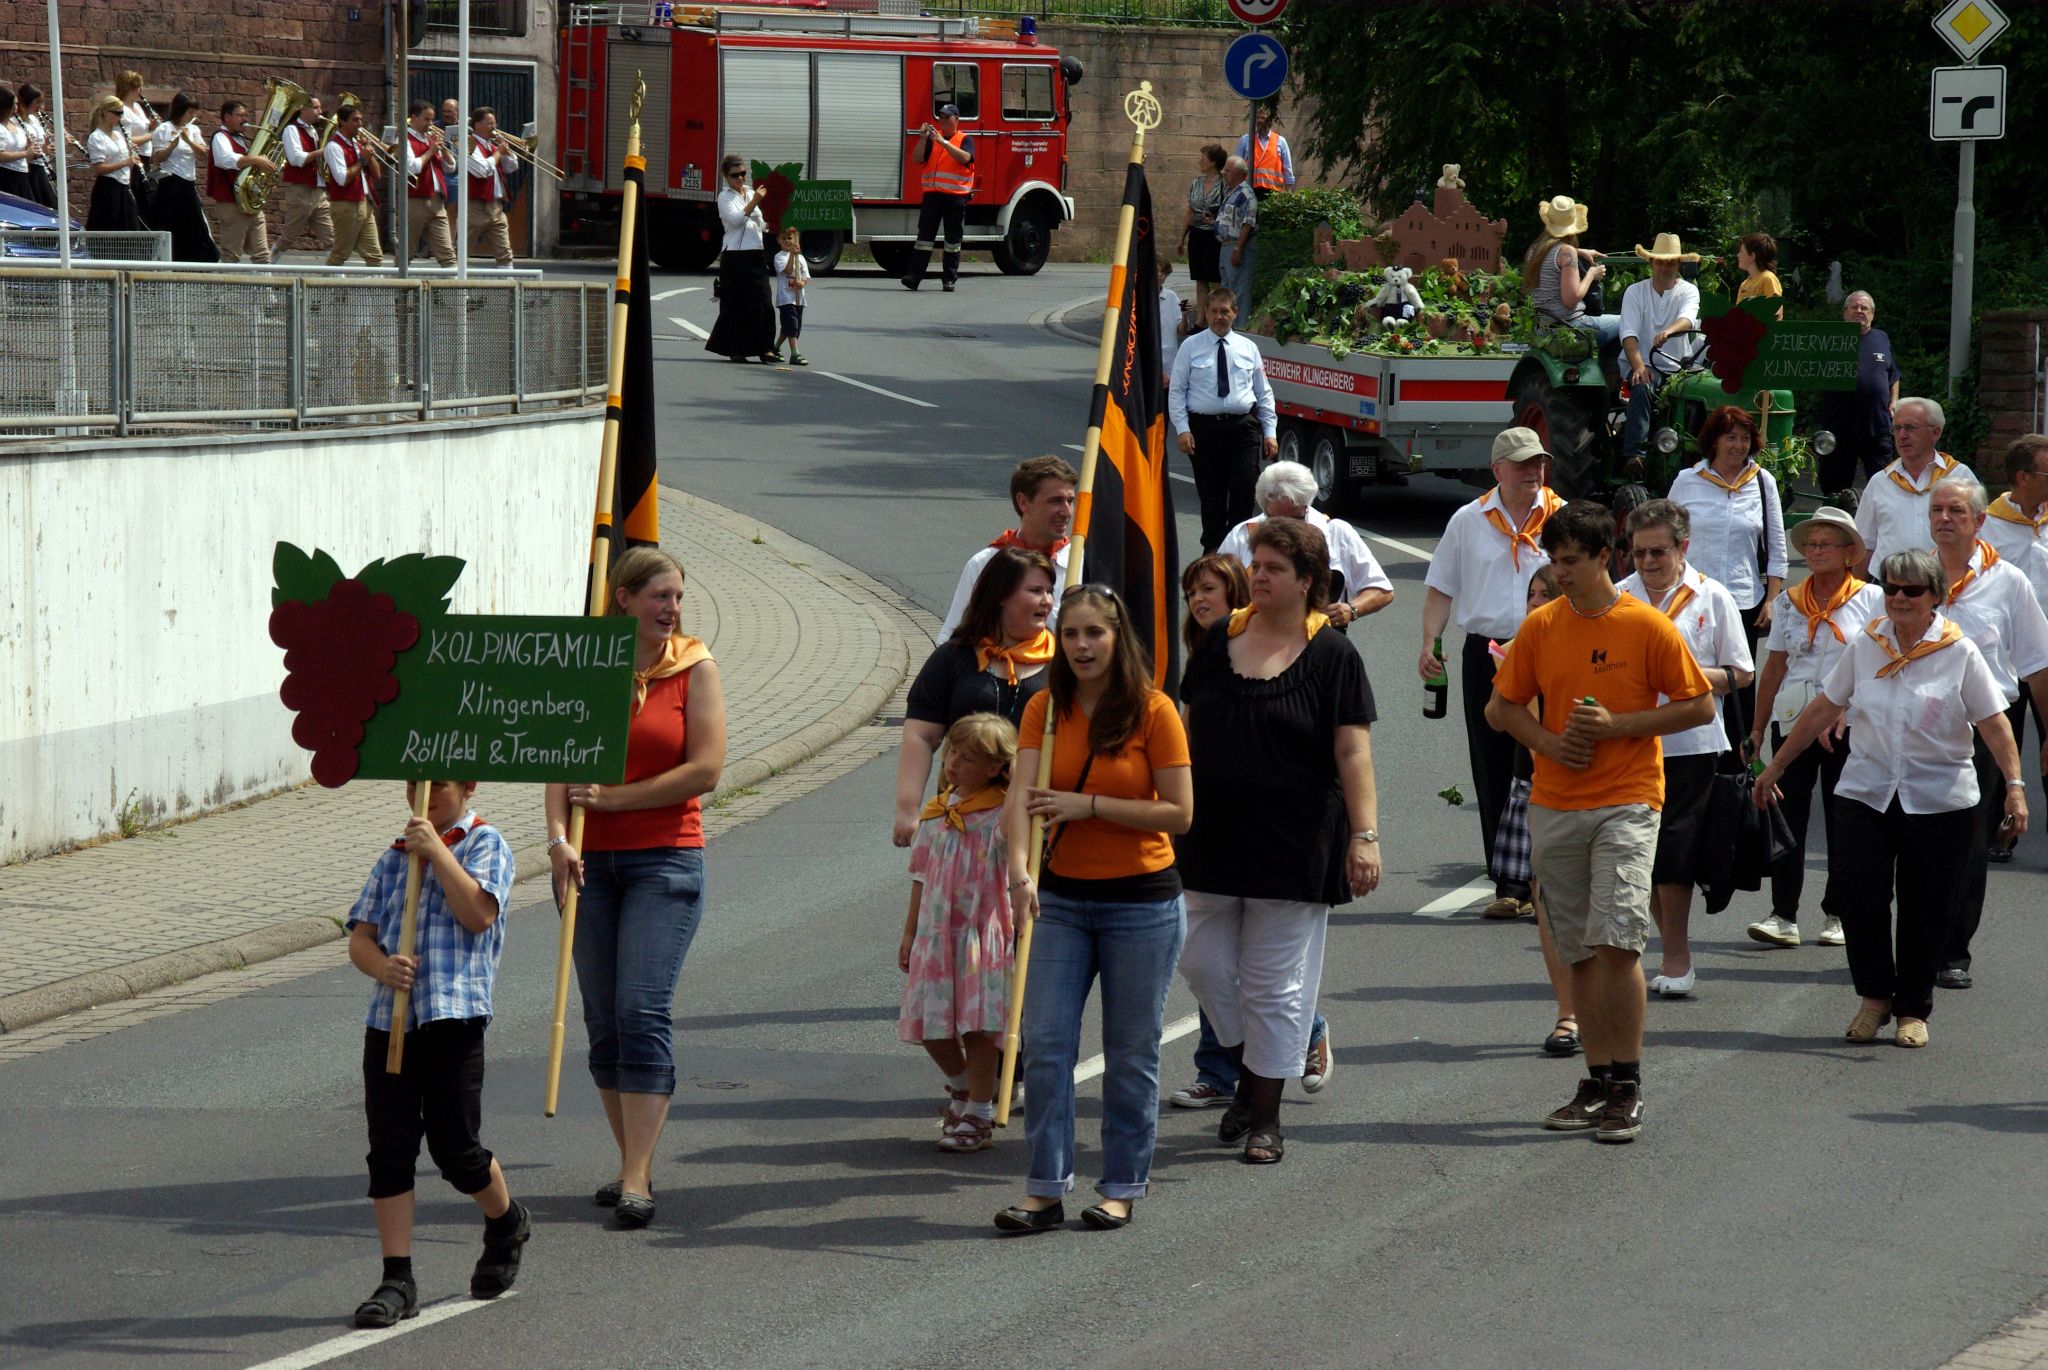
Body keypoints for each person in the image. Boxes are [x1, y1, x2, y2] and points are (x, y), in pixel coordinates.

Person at [1485, 500, 1714, 1143]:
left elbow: (1697, 706)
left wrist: (1620, 728)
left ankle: (1628, 1085)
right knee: (1579, 950)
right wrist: (1550, 745)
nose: (1559, 573)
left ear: (1603, 558)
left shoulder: (1646, 625)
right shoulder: (1541, 626)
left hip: (1628, 800)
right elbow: (1500, 709)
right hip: (1555, 804)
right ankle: (1597, 1080)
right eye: (1552, 562)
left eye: (1571, 562)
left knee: (1617, 942)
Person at [1755, 548, 2027, 1049]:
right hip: (1867, 791)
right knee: (1860, 897)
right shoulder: (1866, 645)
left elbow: (1993, 723)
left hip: (1940, 798)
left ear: (1934, 598)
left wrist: (2014, 787)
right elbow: (1824, 707)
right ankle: (1875, 998)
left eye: (1912, 590)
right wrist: (1777, 764)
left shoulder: (1959, 651)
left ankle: (1912, 1008)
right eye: (1892, 588)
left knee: (1927, 905)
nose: (1900, 598)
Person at [1177, 518, 1380, 1166]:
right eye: (1256, 563)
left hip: (1295, 844)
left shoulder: (1333, 654)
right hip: (1208, 835)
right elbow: (1183, 726)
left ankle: (1265, 1114)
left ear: (1309, 583)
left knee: (1274, 986)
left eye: (1272, 568)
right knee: (1197, 958)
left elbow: (1353, 752)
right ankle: (1251, 1074)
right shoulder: (1216, 640)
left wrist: (1366, 836)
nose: (1257, 575)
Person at [997, 587, 1192, 1233]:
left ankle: (1120, 1186)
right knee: (1047, 1044)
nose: (1081, 646)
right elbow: (1019, 802)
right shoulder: (1044, 711)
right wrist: (1020, 873)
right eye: (1072, 633)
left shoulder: (1153, 711)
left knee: (1130, 1051)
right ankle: (1045, 1188)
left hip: (1142, 904)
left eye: (1094, 634)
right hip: (1062, 899)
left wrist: (1092, 807)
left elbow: (1180, 813)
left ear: (1118, 638)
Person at [545, 547, 726, 1229]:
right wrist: (559, 839)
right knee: (602, 1017)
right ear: (622, 599)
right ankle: (631, 1164)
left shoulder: (694, 667)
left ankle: (637, 1176)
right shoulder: (588, 666)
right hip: (591, 864)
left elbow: (705, 770)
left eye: (677, 596)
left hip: (665, 861)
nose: (671, 608)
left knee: (641, 1008)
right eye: (658, 596)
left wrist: (616, 801)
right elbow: (557, 765)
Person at [344, 780, 528, 1327]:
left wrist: (438, 852)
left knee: (456, 1148)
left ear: (468, 787)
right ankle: (396, 1277)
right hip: (391, 1021)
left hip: (454, 1016)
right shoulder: (393, 857)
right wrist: (381, 966)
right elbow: (360, 936)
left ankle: (505, 1220)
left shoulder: (484, 843)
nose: (424, 798)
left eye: (439, 787)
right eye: (414, 786)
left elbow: (478, 914)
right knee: (390, 1148)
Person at [1420, 426, 1562, 917]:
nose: (1533, 472)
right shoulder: (1468, 519)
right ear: (1497, 470)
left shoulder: (1562, 517)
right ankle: (1508, 880)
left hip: (1551, 650)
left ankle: (1547, 875)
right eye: (1522, 464)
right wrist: (1429, 641)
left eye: (1538, 463)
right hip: (1488, 650)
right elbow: (1441, 585)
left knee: (1545, 761)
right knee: (1492, 761)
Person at [1615, 499, 1753, 997]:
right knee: (1640, 853)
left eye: (1659, 552)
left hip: (1692, 745)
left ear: (1683, 548)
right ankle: (1663, 944)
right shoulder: (1617, 598)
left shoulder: (1712, 597)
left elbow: (1741, 671)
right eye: (1638, 553)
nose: (1648, 562)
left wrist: (1685, 678)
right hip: (1629, 741)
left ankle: (1677, 955)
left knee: (1673, 853)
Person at [1923, 477, 2048, 983]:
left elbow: (2037, 665)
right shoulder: (1910, 575)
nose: (1945, 519)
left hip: (1981, 729)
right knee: (1911, 840)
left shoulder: (2008, 581)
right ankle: (1913, 945)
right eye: (1937, 510)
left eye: (1956, 510)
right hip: (1911, 729)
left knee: (1967, 840)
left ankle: (1953, 951)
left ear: (1979, 521)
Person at [1744, 507, 1881, 950]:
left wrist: (1851, 706)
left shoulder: (1871, 601)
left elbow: (1878, 665)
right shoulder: (1789, 601)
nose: (1816, 551)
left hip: (1847, 721)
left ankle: (1837, 912)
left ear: (1848, 554)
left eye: (1827, 544)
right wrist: (1757, 729)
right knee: (1788, 815)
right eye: (1811, 544)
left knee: (1844, 817)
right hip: (1794, 718)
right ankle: (1783, 913)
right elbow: (1774, 668)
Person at [898, 712, 1019, 1155]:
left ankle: (980, 1113)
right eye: (952, 753)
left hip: (979, 934)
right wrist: (910, 933)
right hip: (937, 933)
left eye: (968, 759)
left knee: (977, 1027)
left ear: (995, 768)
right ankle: (963, 1087)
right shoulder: (939, 811)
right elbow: (921, 875)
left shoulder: (1003, 817)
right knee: (932, 1026)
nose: (952, 764)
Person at [899, 548, 1056, 847]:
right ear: (1001, 594)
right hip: (962, 826)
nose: (1047, 601)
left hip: (1035, 824)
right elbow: (921, 735)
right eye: (1035, 591)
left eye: (1049, 591)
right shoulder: (953, 657)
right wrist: (908, 809)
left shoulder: (1063, 664)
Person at [1497, 566, 1585, 1051]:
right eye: (1529, 594)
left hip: (1599, 785)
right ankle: (1567, 1014)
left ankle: (1600, 1004)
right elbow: (1502, 713)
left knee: (1595, 907)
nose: (1534, 601)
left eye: (1542, 594)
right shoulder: (1521, 644)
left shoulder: (1587, 636)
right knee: (1548, 901)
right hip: (1539, 783)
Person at [1219, 460, 1395, 631]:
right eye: (1277, 520)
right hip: (1256, 643)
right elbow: (1215, 591)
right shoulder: (1242, 535)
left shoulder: (1335, 532)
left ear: (1307, 506)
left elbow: (1382, 590)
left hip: (1319, 647)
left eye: (1296, 518)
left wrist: (1352, 609)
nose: (1287, 528)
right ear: (1265, 509)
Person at [1169, 287, 1277, 556]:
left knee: (1244, 488)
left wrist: (1270, 431)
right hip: (1204, 430)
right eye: (1214, 311)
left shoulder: (1248, 348)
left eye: (1224, 311)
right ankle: (1213, 551)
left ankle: (1239, 551)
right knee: (1212, 495)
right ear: (1205, 313)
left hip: (1242, 428)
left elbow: (1263, 392)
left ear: (1234, 313)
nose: (1219, 317)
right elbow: (1177, 391)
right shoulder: (1190, 347)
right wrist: (1182, 430)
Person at [1667, 405, 1786, 640]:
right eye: (1731, 438)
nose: (1739, 446)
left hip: (1743, 601)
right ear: (1714, 441)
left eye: (1745, 438)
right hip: (1692, 600)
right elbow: (1667, 539)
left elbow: (1777, 547)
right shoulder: (1687, 480)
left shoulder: (1763, 482)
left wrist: (1771, 600)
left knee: (1739, 676)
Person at [938, 455, 1077, 640]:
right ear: (1023, 502)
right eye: (1056, 501)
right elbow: (952, 638)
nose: (1067, 511)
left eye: (1070, 500)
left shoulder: (1081, 562)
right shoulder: (985, 564)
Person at [1981, 435, 2048, 792]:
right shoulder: (1987, 527)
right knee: (2003, 741)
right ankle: (1997, 837)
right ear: (2024, 477)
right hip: (2004, 655)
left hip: (2047, 657)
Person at [1854, 397, 1975, 573]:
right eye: (1897, 428)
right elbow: (1865, 545)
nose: (1902, 435)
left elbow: (1982, 537)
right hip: (1889, 589)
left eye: (1910, 427)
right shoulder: (1880, 482)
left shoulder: (1961, 478)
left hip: (1947, 586)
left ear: (1935, 432)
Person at [1618, 233, 1702, 463]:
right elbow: (1628, 334)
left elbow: (1687, 319)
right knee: (1642, 383)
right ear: (1651, 263)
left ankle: (1696, 455)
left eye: (1671, 262)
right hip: (1643, 361)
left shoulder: (1688, 291)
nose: (1665, 267)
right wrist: (1638, 366)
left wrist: (1669, 331)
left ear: (1678, 265)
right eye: (1660, 261)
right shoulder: (1635, 292)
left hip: (1680, 367)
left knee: (1702, 394)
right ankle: (1635, 455)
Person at [1816, 292, 1902, 492]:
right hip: (1839, 426)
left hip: (1875, 425)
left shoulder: (1881, 338)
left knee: (1885, 485)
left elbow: (1893, 374)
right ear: (1845, 312)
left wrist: (1894, 402)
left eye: (1864, 308)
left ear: (1872, 314)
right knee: (1834, 486)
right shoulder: (1830, 339)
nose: (1859, 311)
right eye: (1854, 307)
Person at [1524, 195, 1618, 359]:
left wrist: (1580, 252)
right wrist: (1591, 275)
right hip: (1571, 328)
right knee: (1628, 324)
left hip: (1543, 329)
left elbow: (1552, 253)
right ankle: (1611, 378)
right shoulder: (1566, 252)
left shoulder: (1534, 250)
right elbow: (1571, 299)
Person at [706, 153, 777, 364]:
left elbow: (760, 221)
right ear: (727, 177)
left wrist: (766, 226)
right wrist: (754, 202)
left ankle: (765, 348)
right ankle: (736, 349)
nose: (740, 179)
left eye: (743, 174)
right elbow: (735, 221)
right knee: (735, 303)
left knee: (763, 300)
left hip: (755, 251)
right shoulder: (724, 197)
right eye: (735, 175)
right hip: (735, 254)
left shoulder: (750, 192)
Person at [902, 103, 974, 292]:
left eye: (946, 117)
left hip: (955, 197)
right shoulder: (932, 141)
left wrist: (942, 141)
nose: (942, 120)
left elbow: (966, 158)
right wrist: (922, 140)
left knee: (952, 241)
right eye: (940, 117)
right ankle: (914, 277)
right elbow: (917, 159)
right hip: (932, 196)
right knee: (924, 239)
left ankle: (949, 279)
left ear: (956, 119)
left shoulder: (964, 139)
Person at [144, 93, 220, 263]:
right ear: (180, 111)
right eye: (189, 113)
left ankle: (198, 264)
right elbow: (156, 159)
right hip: (170, 182)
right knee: (168, 224)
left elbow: (202, 154)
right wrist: (172, 145)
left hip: (187, 183)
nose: (193, 116)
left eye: (194, 113)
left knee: (196, 226)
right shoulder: (163, 129)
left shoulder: (193, 130)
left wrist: (188, 140)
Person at [205, 99, 275, 263]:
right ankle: (223, 287)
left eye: (246, 115)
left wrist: (264, 184)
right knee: (231, 254)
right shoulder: (220, 137)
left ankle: (266, 288)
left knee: (262, 254)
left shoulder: (241, 139)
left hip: (249, 202)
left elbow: (247, 172)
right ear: (227, 117)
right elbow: (225, 160)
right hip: (231, 203)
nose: (245, 119)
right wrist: (255, 160)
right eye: (240, 115)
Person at [324, 102, 384, 267]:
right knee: (340, 254)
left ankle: (371, 293)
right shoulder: (334, 146)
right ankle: (323, 290)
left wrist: (369, 153)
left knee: (375, 256)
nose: (360, 124)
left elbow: (377, 175)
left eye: (361, 120)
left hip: (364, 203)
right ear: (342, 122)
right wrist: (362, 159)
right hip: (345, 204)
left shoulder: (358, 145)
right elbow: (342, 179)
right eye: (355, 120)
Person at [277, 94, 335, 256]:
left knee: (331, 238)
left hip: (318, 190)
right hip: (300, 191)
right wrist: (322, 152)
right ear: (303, 108)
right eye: (316, 108)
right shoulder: (291, 129)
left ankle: (336, 277)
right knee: (288, 238)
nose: (320, 111)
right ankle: (268, 267)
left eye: (320, 108)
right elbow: (296, 159)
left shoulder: (313, 132)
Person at [402, 100, 457, 267]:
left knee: (448, 254)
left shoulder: (431, 138)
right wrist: (431, 151)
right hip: (415, 201)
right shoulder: (405, 139)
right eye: (426, 119)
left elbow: (451, 167)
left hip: (437, 201)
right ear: (414, 118)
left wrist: (445, 150)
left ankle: (458, 293)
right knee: (406, 252)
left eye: (432, 119)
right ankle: (401, 291)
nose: (430, 124)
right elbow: (412, 167)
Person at [465, 107, 519, 267]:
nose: (494, 127)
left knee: (505, 254)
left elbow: (511, 167)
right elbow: (481, 171)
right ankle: (453, 289)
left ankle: (510, 290)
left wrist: (507, 152)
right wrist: (498, 153)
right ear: (477, 125)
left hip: (496, 206)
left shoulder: (493, 146)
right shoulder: (468, 142)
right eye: (489, 123)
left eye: (494, 123)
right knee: (461, 252)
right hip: (475, 207)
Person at [84, 94, 146, 232]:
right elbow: (98, 168)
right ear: (105, 113)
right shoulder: (97, 137)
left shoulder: (119, 135)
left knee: (131, 227)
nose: (120, 117)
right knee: (110, 227)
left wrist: (131, 154)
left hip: (124, 186)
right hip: (108, 188)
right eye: (117, 113)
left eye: (122, 113)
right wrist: (124, 163)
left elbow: (123, 158)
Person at [1178, 144, 1226, 307]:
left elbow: (1227, 210)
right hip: (1196, 234)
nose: (1200, 160)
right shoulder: (1196, 183)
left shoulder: (1223, 184)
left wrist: (1215, 220)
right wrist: (1181, 238)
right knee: (1200, 278)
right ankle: (1201, 318)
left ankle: (1218, 311)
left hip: (1214, 236)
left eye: (1202, 157)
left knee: (1215, 278)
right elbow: (1190, 211)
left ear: (1213, 161)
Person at [1214, 157, 1257, 317]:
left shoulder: (1246, 193)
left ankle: (1240, 326)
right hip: (1226, 246)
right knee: (1227, 290)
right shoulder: (1232, 192)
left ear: (1239, 174)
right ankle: (1229, 326)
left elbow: (1248, 222)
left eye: (1227, 170)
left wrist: (1238, 248)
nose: (1223, 173)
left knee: (1238, 291)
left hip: (1237, 246)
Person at [114, 71, 154, 226]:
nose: (140, 91)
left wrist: (152, 126)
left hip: (145, 155)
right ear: (129, 88)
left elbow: (143, 129)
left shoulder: (137, 106)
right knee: (137, 195)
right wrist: (153, 135)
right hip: (134, 157)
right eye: (138, 88)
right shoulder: (122, 109)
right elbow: (126, 138)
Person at [771, 223, 810, 366]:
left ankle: (775, 348)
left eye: (790, 238)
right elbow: (787, 271)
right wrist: (792, 256)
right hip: (786, 298)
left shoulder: (801, 258)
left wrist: (803, 283)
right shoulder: (779, 257)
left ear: (795, 240)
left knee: (791, 328)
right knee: (792, 325)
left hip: (798, 299)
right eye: (784, 238)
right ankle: (795, 353)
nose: (788, 241)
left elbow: (806, 276)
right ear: (779, 240)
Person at [1234, 107, 1294, 198]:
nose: (1259, 121)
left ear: (1269, 121)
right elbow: (1236, 166)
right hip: (1249, 191)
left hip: (1273, 193)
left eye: (1262, 118)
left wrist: (1288, 191)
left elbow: (1287, 168)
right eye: (1257, 118)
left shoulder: (1280, 141)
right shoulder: (1246, 140)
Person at [18, 84, 57, 209]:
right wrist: (42, 150)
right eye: (36, 102)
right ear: (26, 100)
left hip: (41, 168)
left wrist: (55, 142)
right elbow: (24, 151)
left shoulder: (34, 120)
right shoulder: (17, 122)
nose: (40, 106)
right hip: (30, 170)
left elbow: (44, 141)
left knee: (51, 207)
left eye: (41, 102)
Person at [1735, 232, 1783, 321]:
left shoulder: (1768, 279)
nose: (1738, 255)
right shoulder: (1744, 284)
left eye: (1741, 252)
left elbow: (1776, 313)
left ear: (1752, 256)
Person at [0, 87, 34, 204]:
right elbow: (1, 156)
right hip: (6, 176)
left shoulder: (17, 125)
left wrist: (30, 148)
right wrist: (25, 153)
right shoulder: (1, 128)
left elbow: (27, 156)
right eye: (14, 104)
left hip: (22, 174)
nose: (16, 108)